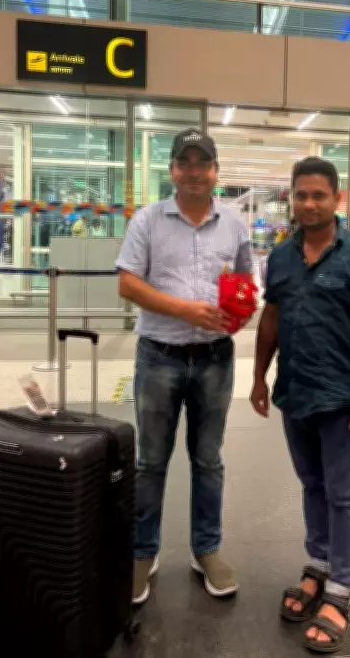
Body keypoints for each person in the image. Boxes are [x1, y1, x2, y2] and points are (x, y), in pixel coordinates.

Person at [250, 157, 350, 654]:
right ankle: (320, 564)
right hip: (296, 393)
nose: (309, 204)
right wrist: (259, 376)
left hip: (341, 399)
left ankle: (341, 592)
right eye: (301, 195)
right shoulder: (281, 257)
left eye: (319, 195)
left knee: (343, 494)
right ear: (292, 198)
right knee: (312, 484)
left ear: (338, 199)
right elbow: (271, 319)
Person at [116, 128, 254, 604]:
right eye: (185, 162)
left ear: (215, 171)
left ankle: (206, 549)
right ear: (173, 169)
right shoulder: (148, 220)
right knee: (150, 461)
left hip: (215, 357)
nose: (194, 171)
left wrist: (241, 309)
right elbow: (128, 284)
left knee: (208, 459)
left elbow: (244, 279)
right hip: (159, 354)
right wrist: (185, 310)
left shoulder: (234, 223)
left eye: (203, 163)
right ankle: (143, 552)